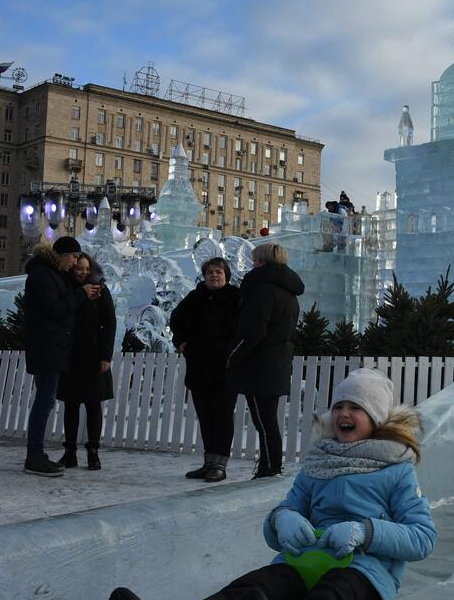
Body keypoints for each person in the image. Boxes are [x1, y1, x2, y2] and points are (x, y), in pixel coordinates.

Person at [109, 369, 437, 600]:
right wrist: (283, 520)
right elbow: (283, 515)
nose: (343, 414)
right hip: (303, 561)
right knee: (255, 587)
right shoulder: (319, 463)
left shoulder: (396, 469)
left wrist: (366, 532)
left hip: (364, 572)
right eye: (338, 406)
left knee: (333, 593)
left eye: (356, 408)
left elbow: (422, 537)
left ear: (377, 419)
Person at [22, 236, 101, 477]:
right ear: (63, 255)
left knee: (46, 402)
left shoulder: (52, 275)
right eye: (75, 257)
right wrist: (81, 295)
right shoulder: (43, 276)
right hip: (47, 348)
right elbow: (53, 309)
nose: (77, 263)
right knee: (44, 402)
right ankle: (34, 456)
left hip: (53, 348)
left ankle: (37, 454)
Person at [224, 242, 304, 479]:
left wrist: (232, 357)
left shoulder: (263, 291)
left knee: (264, 421)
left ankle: (269, 468)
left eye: (255, 260)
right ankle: (270, 466)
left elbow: (253, 332)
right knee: (268, 419)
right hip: (277, 362)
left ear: (261, 262)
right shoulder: (289, 293)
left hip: (259, 365)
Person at [169, 257, 241, 482]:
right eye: (210, 271)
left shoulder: (235, 298)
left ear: (226, 275)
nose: (214, 275)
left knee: (222, 416)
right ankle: (208, 462)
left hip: (225, 368)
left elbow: (242, 329)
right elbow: (176, 320)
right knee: (206, 417)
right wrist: (181, 342)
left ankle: (220, 463)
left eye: (218, 271)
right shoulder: (195, 297)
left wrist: (232, 353)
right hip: (199, 367)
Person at [58, 253, 116, 471]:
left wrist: (105, 356)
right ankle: (70, 452)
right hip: (71, 356)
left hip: (93, 356)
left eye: (86, 269)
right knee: (71, 405)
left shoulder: (101, 291)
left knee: (93, 405)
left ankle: (93, 452)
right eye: (78, 268)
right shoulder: (66, 291)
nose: (82, 272)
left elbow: (110, 323)